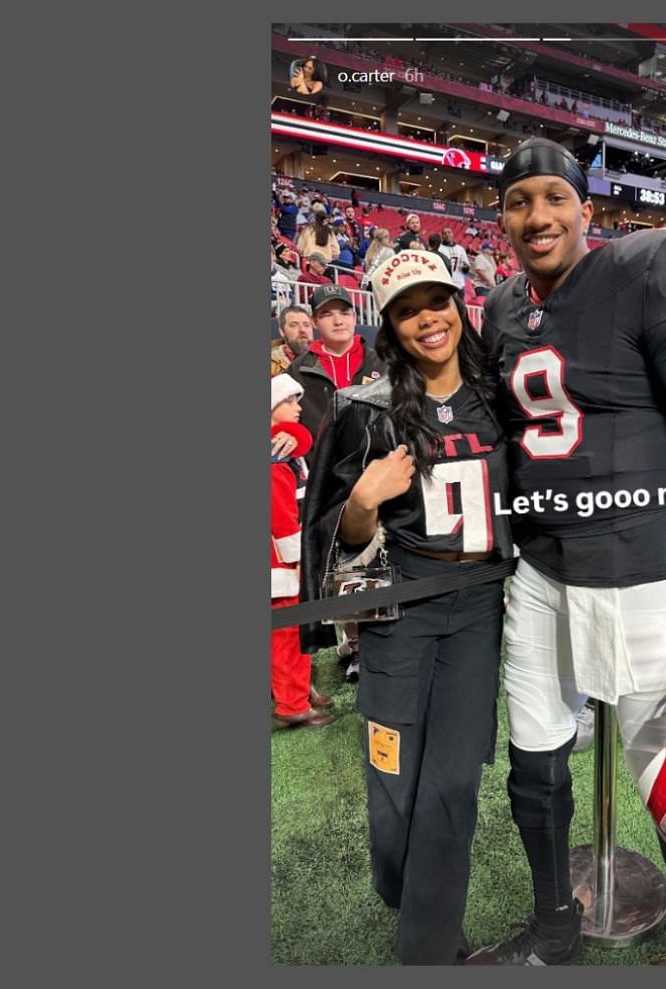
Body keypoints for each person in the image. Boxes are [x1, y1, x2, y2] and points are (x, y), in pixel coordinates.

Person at [467, 138, 666, 967]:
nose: (538, 216)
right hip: (539, 567)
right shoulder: (497, 308)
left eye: (555, 199)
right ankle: (556, 929)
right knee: (534, 758)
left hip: (635, 566)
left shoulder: (644, 268)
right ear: (501, 217)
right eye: (520, 201)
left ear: (585, 210)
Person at [302, 250, 515, 965]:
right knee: (393, 784)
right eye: (408, 306)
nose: (429, 317)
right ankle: (410, 892)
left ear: (460, 306)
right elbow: (338, 529)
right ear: (389, 325)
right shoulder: (366, 409)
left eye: (439, 300)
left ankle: (428, 945)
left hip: (478, 608)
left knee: (452, 781)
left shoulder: (502, 401)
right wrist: (363, 500)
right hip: (399, 614)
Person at [287, 283, 386, 673]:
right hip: (326, 477)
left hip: (377, 469)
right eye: (328, 313)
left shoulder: (381, 359)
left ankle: (378, 636)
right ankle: (357, 641)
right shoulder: (300, 370)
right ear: (315, 323)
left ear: (355, 316)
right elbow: (283, 418)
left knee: (379, 554)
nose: (339, 318)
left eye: (343, 311)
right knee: (340, 561)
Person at [271, 374, 334, 729]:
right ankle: (291, 703)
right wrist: (297, 556)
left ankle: (297, 690)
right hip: (281, 559)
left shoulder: (283, 444)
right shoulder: (274, 452)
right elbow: (280, 513)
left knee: (293, 631)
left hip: (286, 554)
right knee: (288, 634)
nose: (298, 408)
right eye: (289, 402)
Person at [270, 304, 313, 378]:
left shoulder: (326, 358)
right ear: (282, 331)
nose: (302, 329)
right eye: (294, 325)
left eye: (306, 325)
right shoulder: (272, 364)